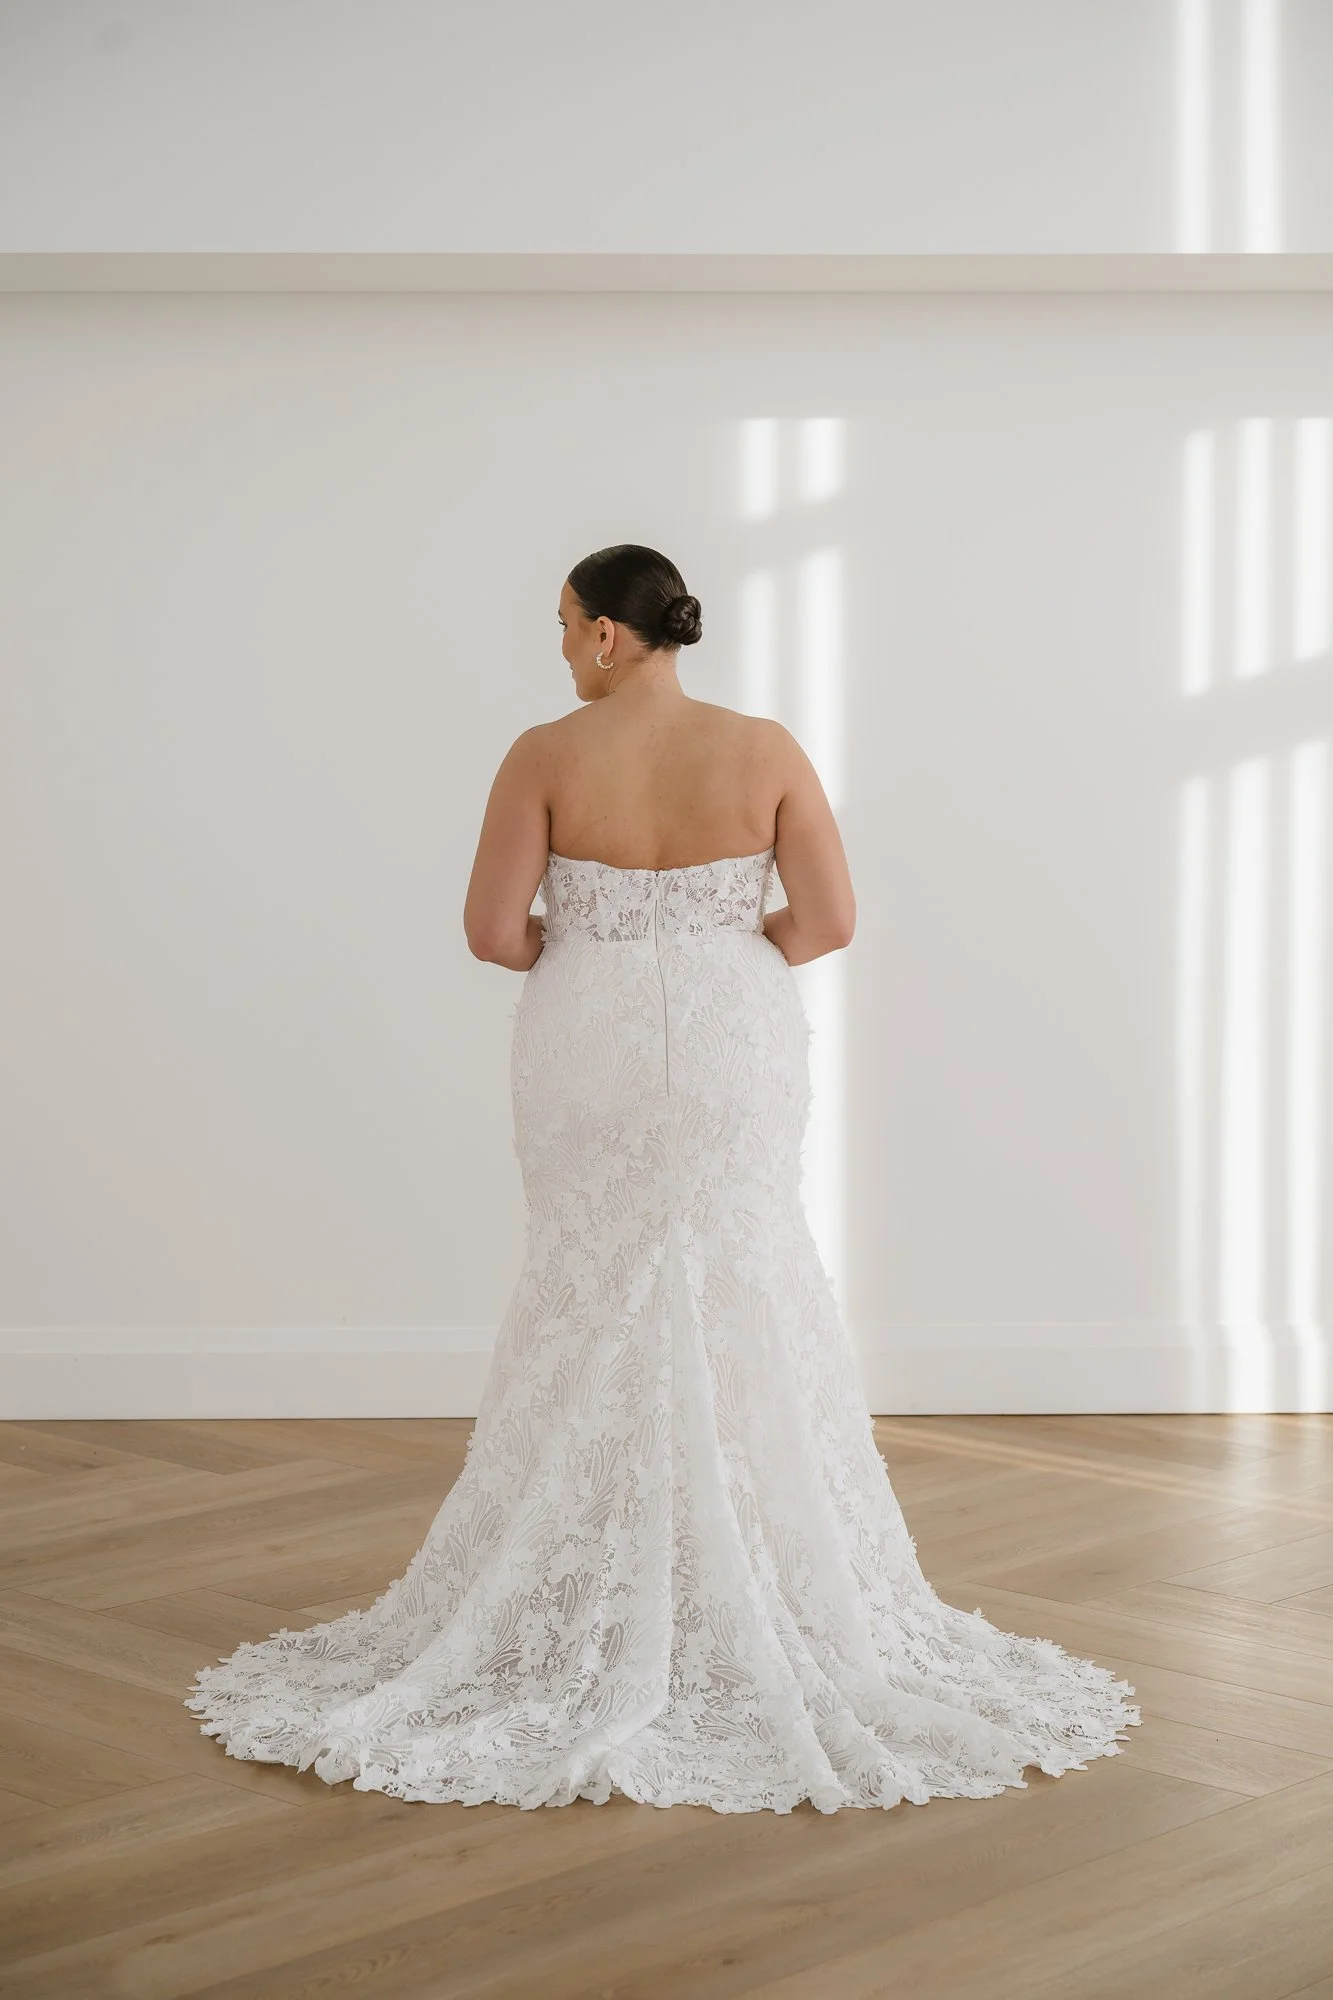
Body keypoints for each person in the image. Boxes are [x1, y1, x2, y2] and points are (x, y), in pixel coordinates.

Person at [185, 543, 1141, 1811]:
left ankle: (590, 1572)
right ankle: (760, 1567)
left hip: (587, 1042)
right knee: (744, 1267)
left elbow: (491, 931)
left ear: (603, 635)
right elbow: (828, 920)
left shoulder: (543, 755)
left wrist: (593, 943)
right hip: (737, 1034)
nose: (558, 646)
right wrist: (718, 948)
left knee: (590, 1275)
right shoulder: (765, 748)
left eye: (562, 623)